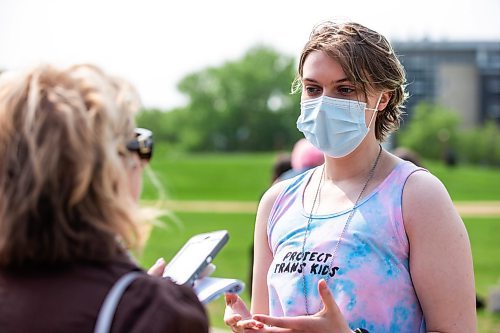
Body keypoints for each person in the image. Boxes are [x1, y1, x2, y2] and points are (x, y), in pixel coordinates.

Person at [224, 21, 477, 333]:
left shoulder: (416, 195)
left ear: (382, 98)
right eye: (313, 89)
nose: (324, 103)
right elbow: (268, 319)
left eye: (345, 90)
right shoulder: (277, 201)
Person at [0, 64, 208, 332]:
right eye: (138, 144)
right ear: (110, 169)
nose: (142, 163)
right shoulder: (151, 314)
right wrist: (139, 297)